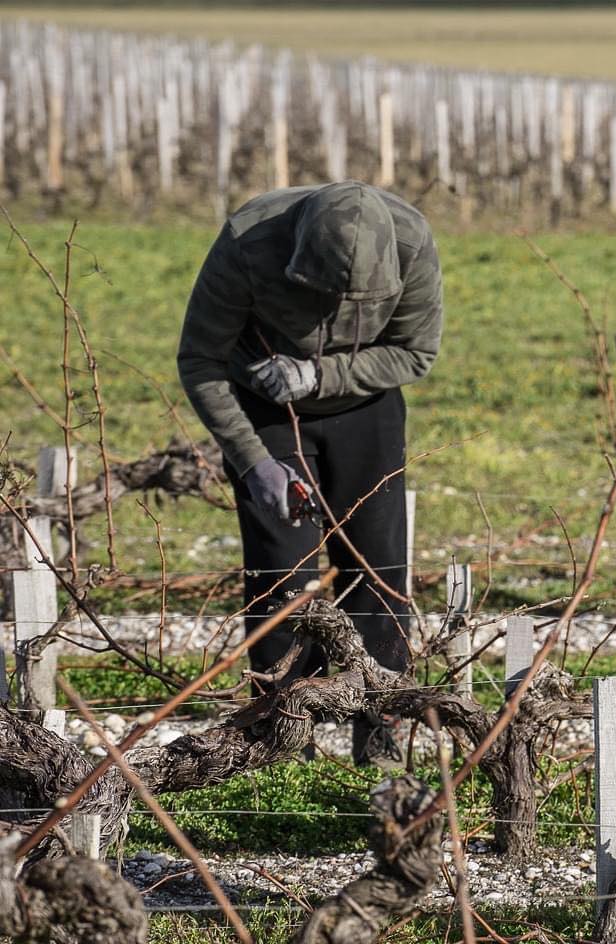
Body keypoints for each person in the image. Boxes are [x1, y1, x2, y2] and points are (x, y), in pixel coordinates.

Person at [178, 180, 443, 769]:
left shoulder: (410, 240)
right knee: (282, 578)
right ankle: (281, 739)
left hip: (366, 409)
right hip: (268, 413)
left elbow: (417, 352)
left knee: (377, 569)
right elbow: (200, 358)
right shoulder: (248, 241)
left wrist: (321, 376)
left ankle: (379, 732)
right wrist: (253, 461)